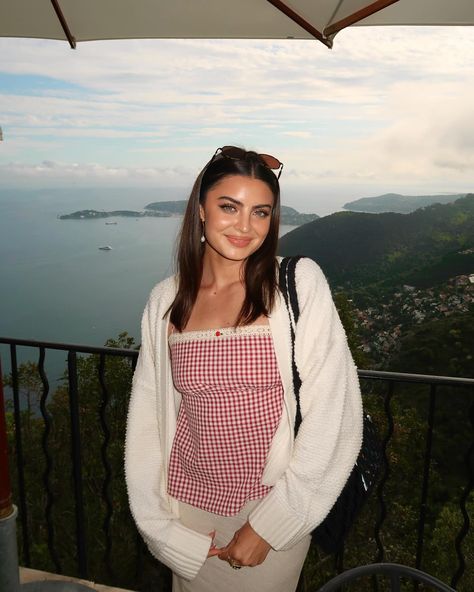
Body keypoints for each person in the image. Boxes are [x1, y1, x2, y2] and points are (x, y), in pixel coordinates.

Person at [125, 146, 363, 592]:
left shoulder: (296, 284)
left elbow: (335, 412)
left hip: (271, 511)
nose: (244, 226)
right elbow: (147, 423)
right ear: (200, 210)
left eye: (261, 212)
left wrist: (271, 526)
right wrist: (160, 528)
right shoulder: (166, 300)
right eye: (228, 207)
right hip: (187, 514)